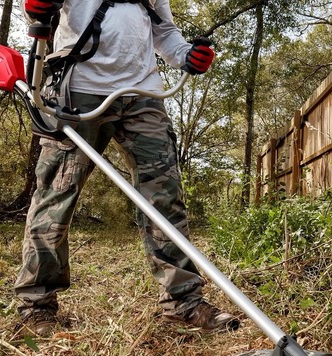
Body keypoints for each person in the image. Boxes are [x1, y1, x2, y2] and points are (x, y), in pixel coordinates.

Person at [16, 0, 240, 337]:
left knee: (165, 197)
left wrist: (185, 55)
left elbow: (163, 30)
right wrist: (35, 8)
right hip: (78, 90)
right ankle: (36, 306)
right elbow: (36, 9)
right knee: (56, 197)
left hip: (143, 93)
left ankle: (183, 303)